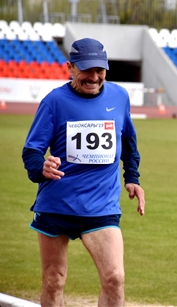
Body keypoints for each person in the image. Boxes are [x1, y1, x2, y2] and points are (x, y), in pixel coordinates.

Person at [22, 38, 145, 307]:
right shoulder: (54, 102)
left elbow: (129, 143)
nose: (93, 77)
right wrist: (41, 168)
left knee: (114, 278)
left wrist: (132, 178)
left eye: (99, 70)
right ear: (70, 68)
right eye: (86, 70)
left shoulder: (119, 96)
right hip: (57, 205)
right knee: (54, 280)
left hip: (101, 205)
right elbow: (31, 152)